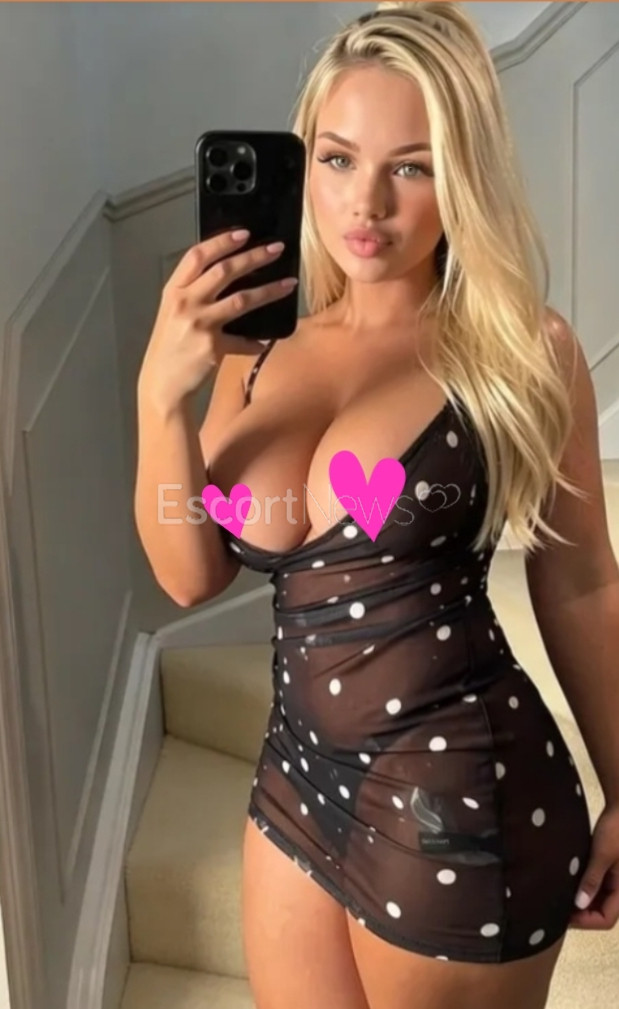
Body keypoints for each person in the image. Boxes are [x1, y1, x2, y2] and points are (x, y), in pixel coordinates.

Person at [134, 2, 619, 1007]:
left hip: (457, 787)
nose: (366, 203)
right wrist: (159, 396)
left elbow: (579, 582)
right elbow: (189, 575)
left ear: (463, 176)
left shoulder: (520, 351)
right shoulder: (254, 354)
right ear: (303, 160)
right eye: (337, 158)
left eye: (412, 166)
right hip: (295, 776)